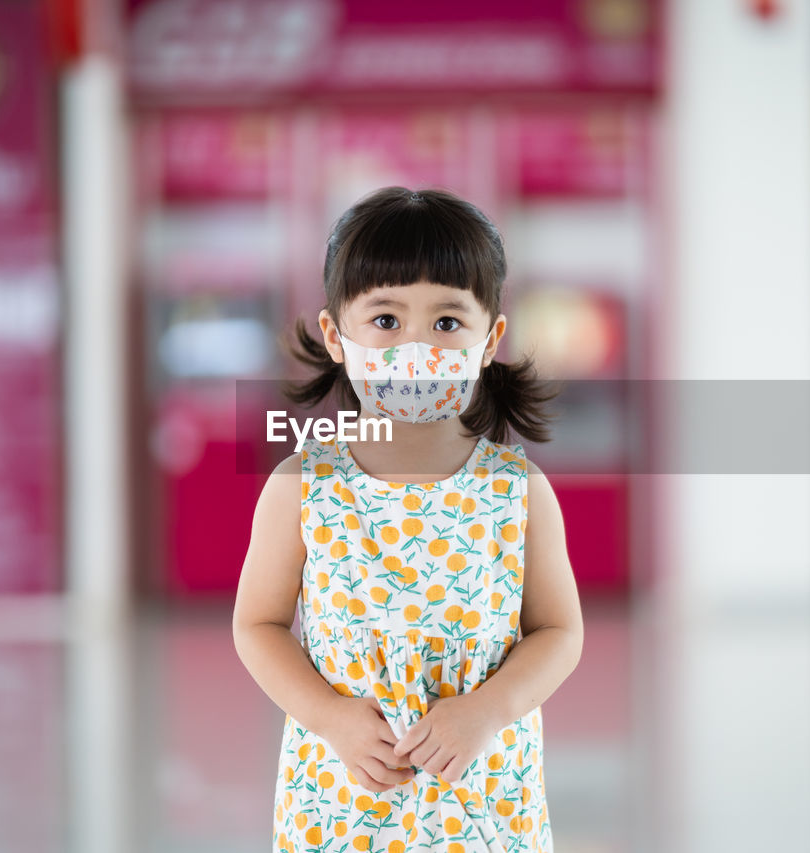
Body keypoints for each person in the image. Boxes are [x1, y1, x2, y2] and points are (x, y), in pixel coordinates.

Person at [232, 186, 584, 853]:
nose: (416, 346)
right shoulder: (302, 485)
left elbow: (559, 631)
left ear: (490, 341)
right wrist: (329, 716)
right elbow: (257, 624)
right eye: (386, 321)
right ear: (337, 335)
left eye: (447, 323)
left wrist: (489, 711)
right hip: (344, 797)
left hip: (482, 797)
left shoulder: (519, 491)